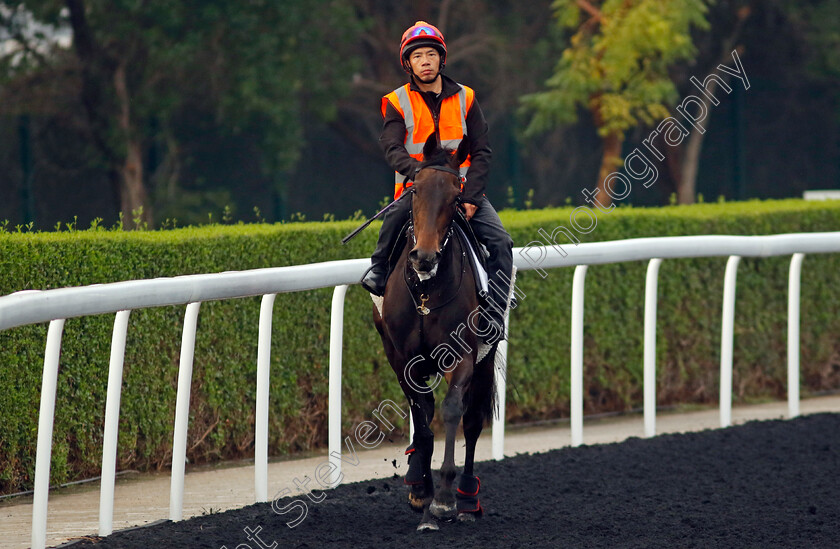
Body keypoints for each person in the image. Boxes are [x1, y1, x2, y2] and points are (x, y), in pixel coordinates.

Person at [360, 21, 514, 336]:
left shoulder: (467, 98)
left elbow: (482, 151)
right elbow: (391, 146)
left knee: (501, 242)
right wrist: (419, 173)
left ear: (441, 59)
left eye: (431, 54)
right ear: (408, 63)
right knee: (392, 222)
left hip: (463, 193)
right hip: (418, 192)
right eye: (418, 57)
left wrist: (471, 197)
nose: (425, 61)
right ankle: (377, 272)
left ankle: (495, 316)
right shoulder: (396, 101)